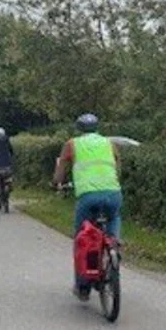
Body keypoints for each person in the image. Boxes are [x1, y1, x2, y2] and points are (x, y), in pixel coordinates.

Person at [52, 113, 122, 301]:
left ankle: (82, 287)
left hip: (88, 197)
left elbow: (61, 170)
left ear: (78, 129)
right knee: (114, 217)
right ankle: (114, 243)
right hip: (113, 193)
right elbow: (117, 167)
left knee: (81, 237)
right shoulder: (109, 143)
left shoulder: (72, 144)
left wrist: (57, 183)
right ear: (98, 128)